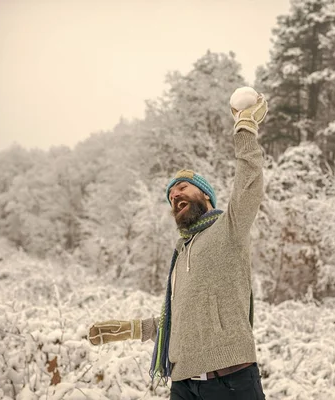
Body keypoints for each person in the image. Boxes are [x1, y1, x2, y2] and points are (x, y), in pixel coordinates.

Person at [88, 87, 268, 400]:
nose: (175, 196)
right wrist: (135, 329)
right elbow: (184, 316)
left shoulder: (230, 227)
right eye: (171, 196)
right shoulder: (181, 251)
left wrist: (245, 128)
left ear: (206, 195)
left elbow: (249, 181)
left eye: (182, 188)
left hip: (230, 379)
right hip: (184, 384)